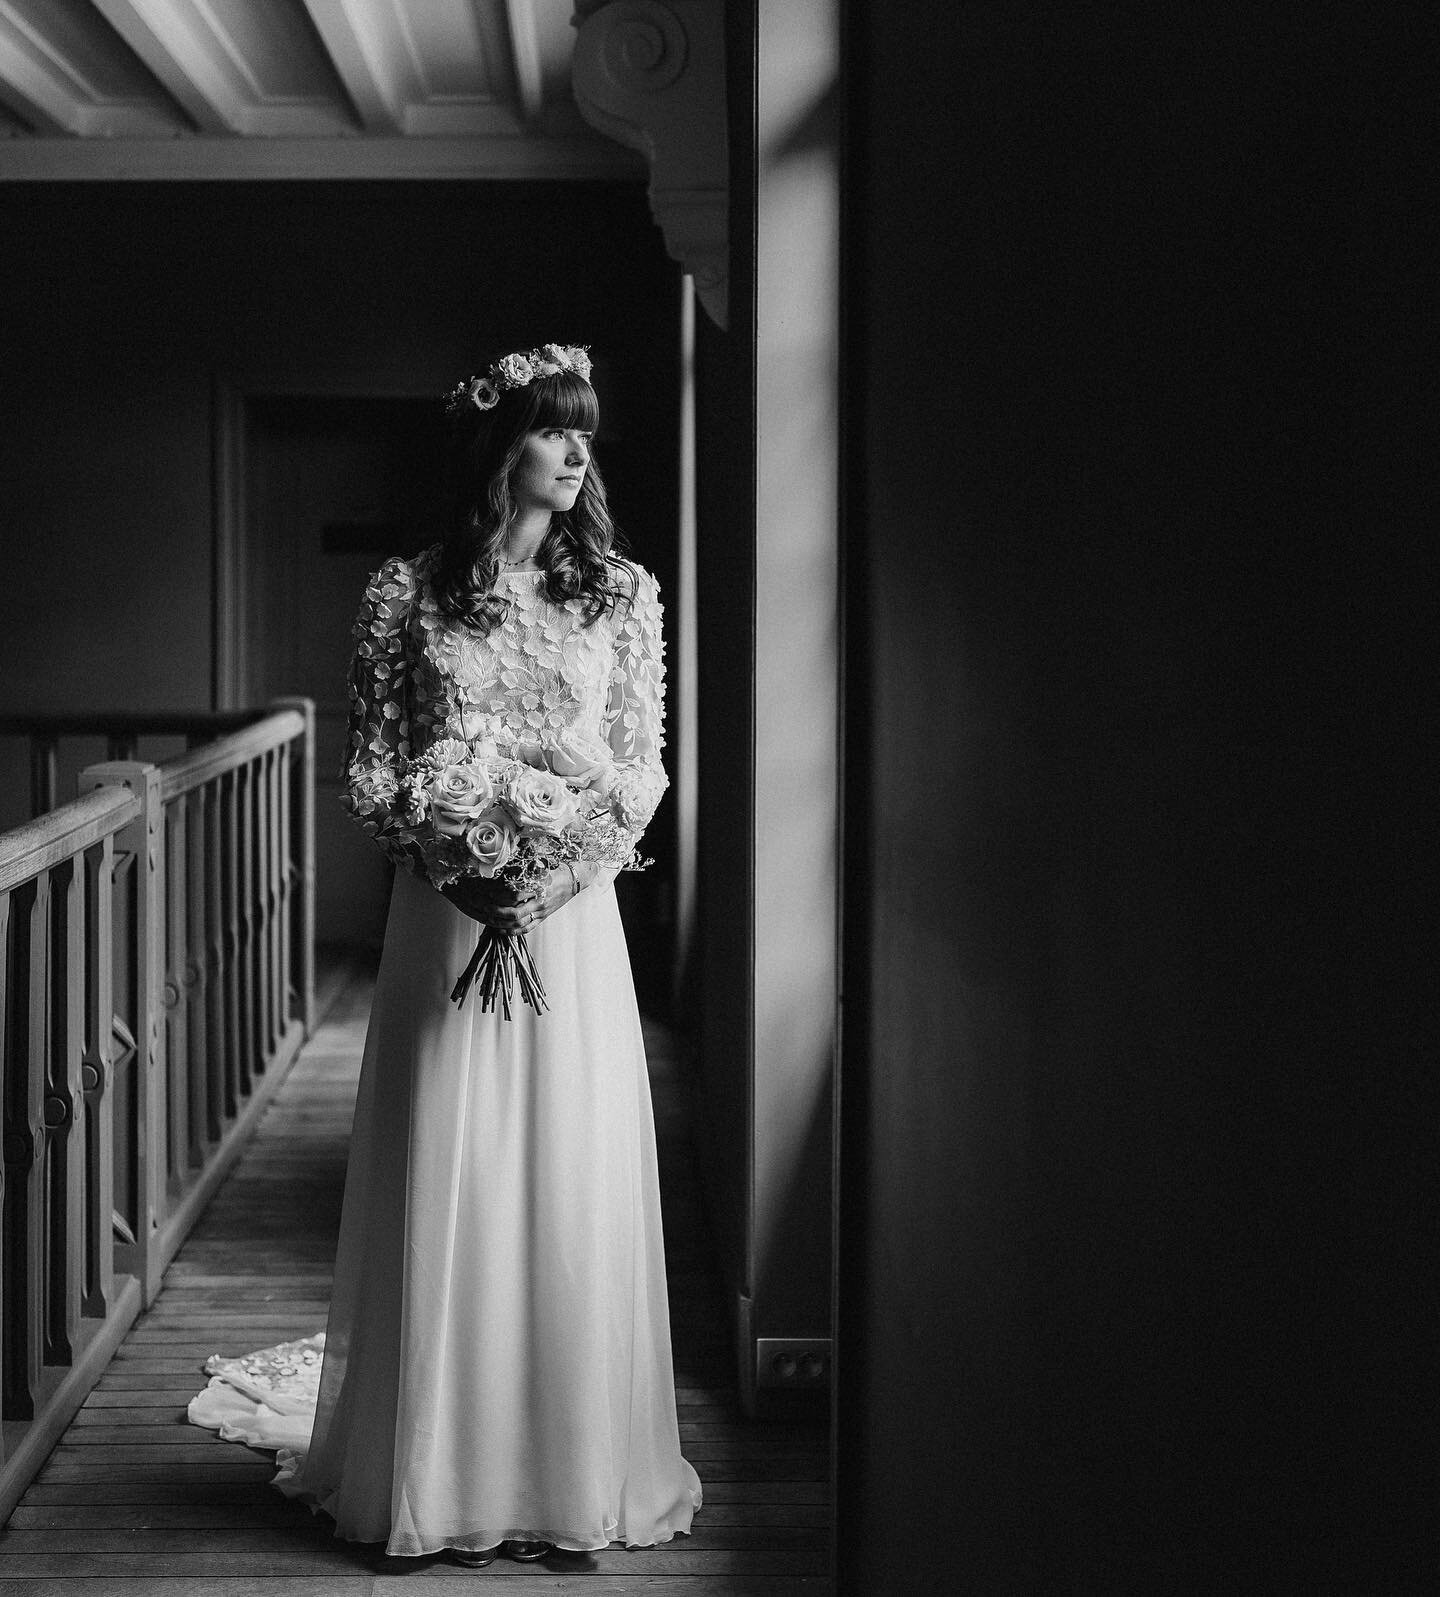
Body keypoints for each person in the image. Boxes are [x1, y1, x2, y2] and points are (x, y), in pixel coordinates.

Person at [188, 343, 700, 1567]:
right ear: (498, 447)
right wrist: (463, 864)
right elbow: (374, 770)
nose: (578, 453)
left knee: (565, 1165)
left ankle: (569, 1459)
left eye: (587, 433)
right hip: (446, 917)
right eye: (552, 430)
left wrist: (558, 876)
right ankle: (438, 1458)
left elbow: (639, 769)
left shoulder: (625, 595)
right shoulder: (404, 596)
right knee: (450, 1155)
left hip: (570, 925)